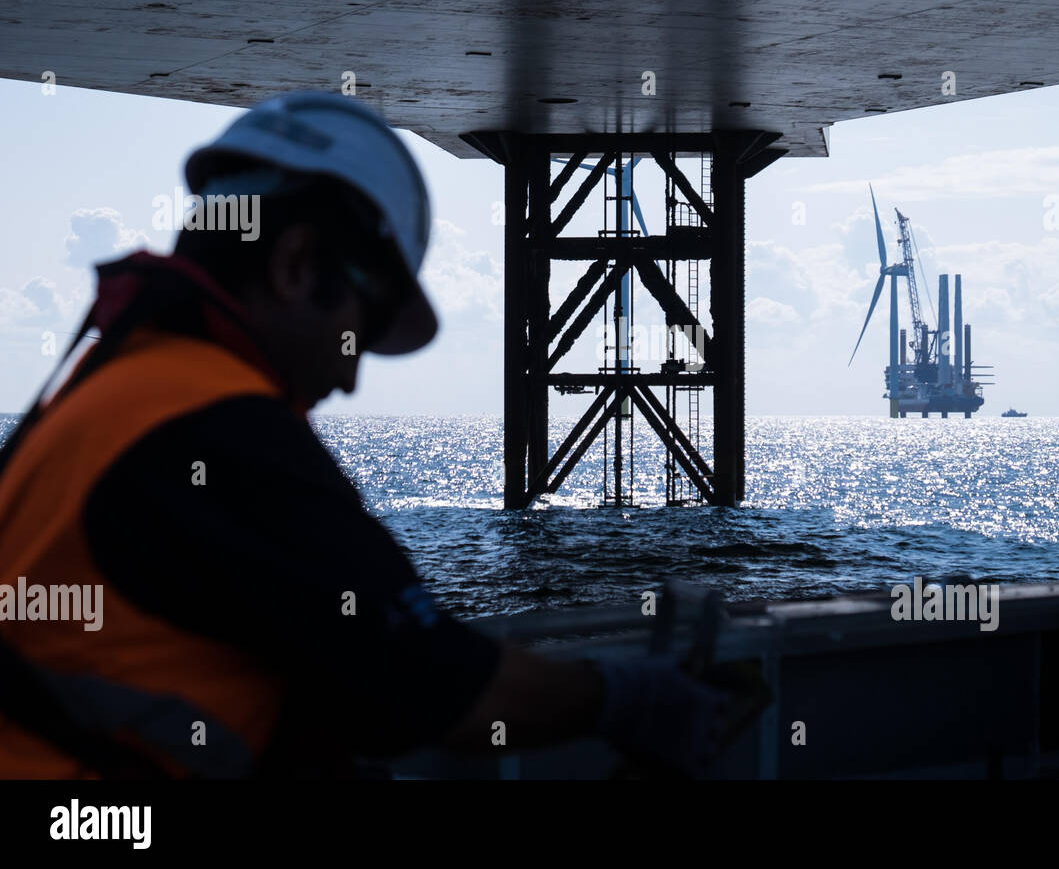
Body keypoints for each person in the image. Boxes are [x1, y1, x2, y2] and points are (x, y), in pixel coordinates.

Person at [0, 92, 732, 778]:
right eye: (363, 326)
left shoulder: (101, 392)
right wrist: (621, 698)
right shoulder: (223, 433)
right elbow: (444, 688)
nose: (350, 378)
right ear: (295, 267)